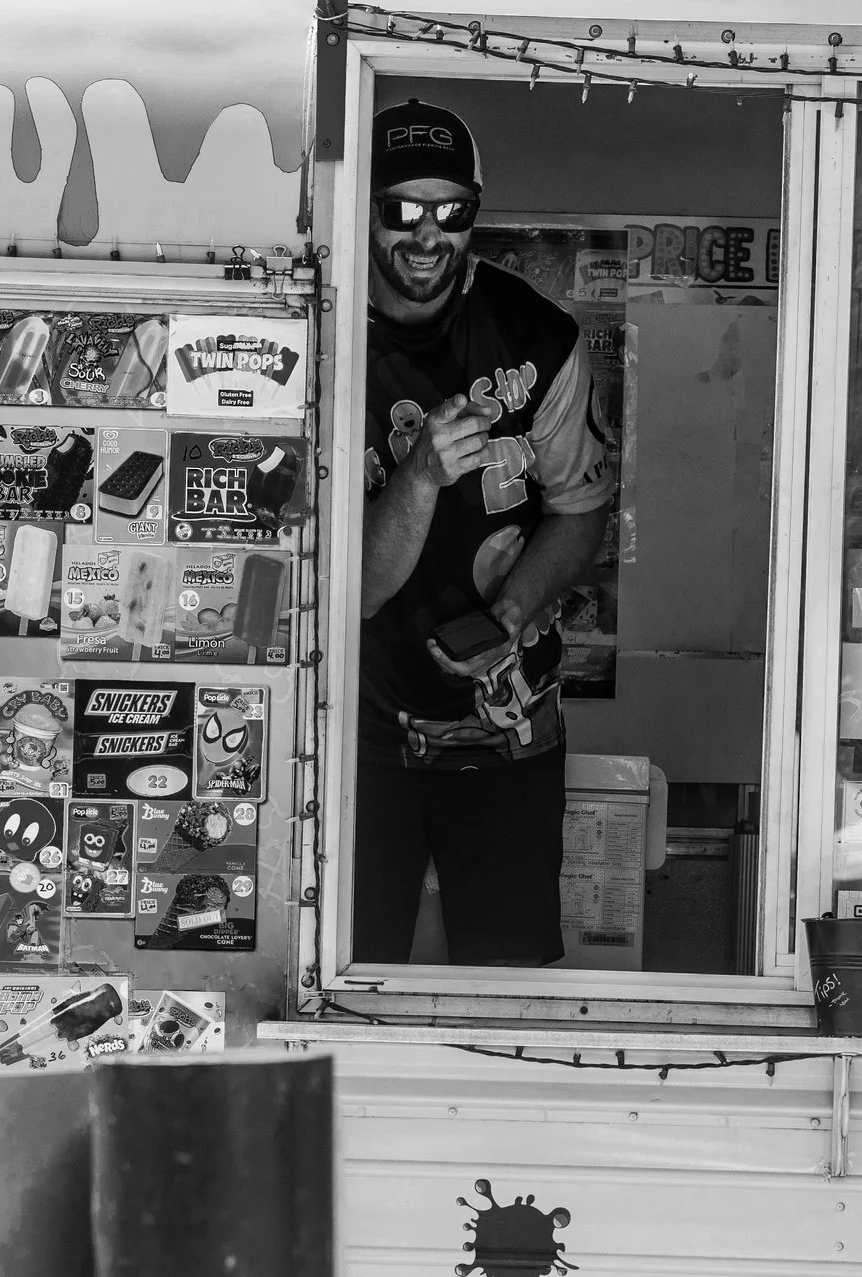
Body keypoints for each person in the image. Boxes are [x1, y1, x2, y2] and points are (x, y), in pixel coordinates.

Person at [353, 98, 615, 966]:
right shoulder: (317, 338)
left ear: (475, 211)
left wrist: (509, 618)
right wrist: (420, 478)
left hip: (509, 740)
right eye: (400, 209)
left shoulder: (537, 337)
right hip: (353, 744)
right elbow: (344, 592)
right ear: (360, 204)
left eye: (450, 212)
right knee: (336, 985)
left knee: (511, 991)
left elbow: (581, 512)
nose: (426, 235)